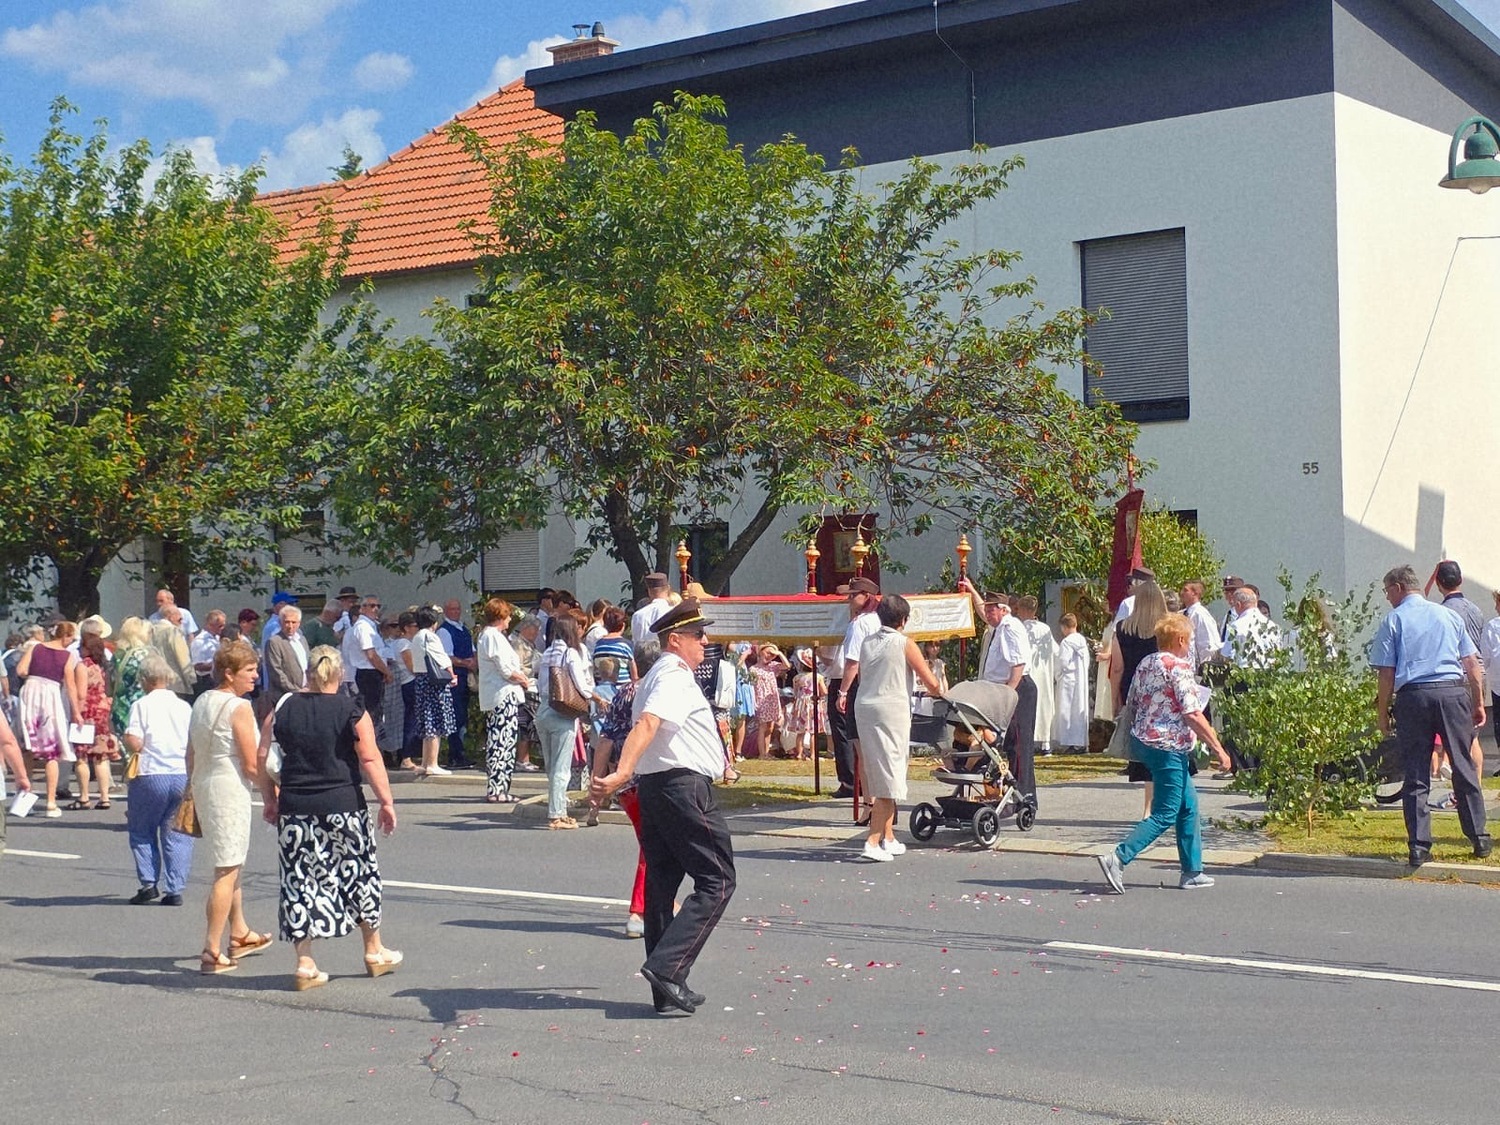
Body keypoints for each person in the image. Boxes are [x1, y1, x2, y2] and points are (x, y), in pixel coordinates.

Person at [590, 599, 736, 1015]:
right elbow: (648, 724)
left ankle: (665, 986)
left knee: (661, 883)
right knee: (718, 880)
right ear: (676, 640)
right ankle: (667, 968)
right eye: (698, 635)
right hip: (681, 787)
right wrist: (622, 771)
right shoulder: (672, 674)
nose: (705, 642)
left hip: (657, 787)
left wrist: (624, 775)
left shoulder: (657, 674)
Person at [258, 645, 400, 990]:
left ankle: (305, 962)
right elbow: (369, 759)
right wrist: (386, 801)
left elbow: (263, 756)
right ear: (340, 674)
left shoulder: (283, 707)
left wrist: (270, 799)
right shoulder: (351, 709)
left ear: (308, 673)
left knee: (299, 880)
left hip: (296, 807)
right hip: (343, 804)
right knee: (359, 873)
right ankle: (373, 950)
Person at [1096, 614, 1232, 894]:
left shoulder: (1147, 662)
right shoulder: (1178, 667)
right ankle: (1118, 857)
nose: (1189, 645)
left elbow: (1133, 699)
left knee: (1188, 806)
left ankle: (1192, 870)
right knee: (1165, 812)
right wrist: (1218, 748)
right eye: (1189, 641)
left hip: (1145, 740)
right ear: (1180, 640)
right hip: (1168, 745)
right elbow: (1192, 713)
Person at [1371, 565, 1490, 867]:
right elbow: (1472, 664)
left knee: (1416, 771)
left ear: (1398, 587)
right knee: (1463, 765)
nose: (1387, 597)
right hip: (1451, 692)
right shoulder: (1447, 615)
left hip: (1414, 696)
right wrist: (1478, 702)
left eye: (1387, 591)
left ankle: (1419, 845)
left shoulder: (1394, 620)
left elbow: (1386, 673)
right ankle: (1479, 836)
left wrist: (1382, 711)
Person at [188, 640, 274, 974]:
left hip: (204, 782)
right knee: (226, 870)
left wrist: (192, 787)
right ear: (229, 673)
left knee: (231, 862)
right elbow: (252, 765)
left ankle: (239, 932)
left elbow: (190, 753)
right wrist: (273, 793)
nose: (255, 677)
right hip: (228, 787)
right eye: (249, 671)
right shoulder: (239, 708)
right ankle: (211, 949)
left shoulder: (202, 701)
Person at [852, 595, 944, 861]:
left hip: (866, 707)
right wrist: (939, 690)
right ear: (904, 620)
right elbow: (931, 682)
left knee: (880, 769)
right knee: (889, 776)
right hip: (890, 710)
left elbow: (862, 675)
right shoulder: (905, 643)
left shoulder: (867, 641)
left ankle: (889, 836)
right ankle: (872, 841)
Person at [591, 642, 663, 936]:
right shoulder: (657, 692)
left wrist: (597, 782)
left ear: (635, 664)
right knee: (653, 846)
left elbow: (605, 738)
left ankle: (661, 903)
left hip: (624, 784)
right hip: (651, 779)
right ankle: (638, 911)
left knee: (656, 845)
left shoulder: (624, 693)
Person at [122, 655, 194, 905]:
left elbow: (135, 740)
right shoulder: (184, 707)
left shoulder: (141, 705)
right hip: (181, 772)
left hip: (151, 772)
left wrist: (129, 742)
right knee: (177, 833)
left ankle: (149, 882)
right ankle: (175, 888)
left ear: (145, 679)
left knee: (142, 829)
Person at [1110, 577, 1168, 804]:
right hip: (1163, 689)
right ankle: (1164, 798)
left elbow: (1117, 667)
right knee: (1165, 742)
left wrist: (1115, 697)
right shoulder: (1167, 627)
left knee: (1143, 741)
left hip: (1133, 688)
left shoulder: (1122, 628)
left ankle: (1148, 801)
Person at [17, 618, 82, 817]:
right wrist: (76, 712)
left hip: (30, 692)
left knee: (27, 748)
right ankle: (51, 803)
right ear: (66, 636)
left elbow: (21, 670)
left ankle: (24, 799)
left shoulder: (35, 647)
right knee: (51, 752)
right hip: (50, 696)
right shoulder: (67, 656)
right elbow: (70, 685)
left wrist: (34, 676)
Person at [536, 611, 594, 828]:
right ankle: (557, 814)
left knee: (552, 767)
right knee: (562, 768)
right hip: (562, 713)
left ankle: (557, 809)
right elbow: (581, 685)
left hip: (543, 710)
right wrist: (592, 697)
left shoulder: (547, 653)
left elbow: (540, 682)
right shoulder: (570, 653)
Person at [831, 576, 882, 799]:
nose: (849, 600)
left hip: (861, 685)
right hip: (878, 685)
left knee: (861, 748)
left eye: (853, 595)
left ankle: (870, 802)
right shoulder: (881, 620)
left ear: (866, 596)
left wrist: (842, 692)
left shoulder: (860, 623)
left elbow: (852, 662)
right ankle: (878, 801)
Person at [477, 598, 528, 803]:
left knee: (504, 742)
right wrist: (523, 679)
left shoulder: (490, 635)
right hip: (502, 694)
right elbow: (506, 669)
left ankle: (501, 788)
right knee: (501, 742)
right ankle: (497, 789)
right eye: (507, 616)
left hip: (501, 694)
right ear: (500, 616)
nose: (509, 620)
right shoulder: (493, 636)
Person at [69, 626, 120, 809]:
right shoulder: (104, 666)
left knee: (82, 755)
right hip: (102, 711)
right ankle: (104, 797)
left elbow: (81, 693)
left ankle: (84, 796)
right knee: (101, 755)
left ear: (86, 648)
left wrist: (75, 711)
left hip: (87, 712)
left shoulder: (83, 666)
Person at [409, 607, 457, 777]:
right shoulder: (430, 636)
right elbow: (442, 658)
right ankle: (432, 763)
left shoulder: (417, 637)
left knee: (426, 721)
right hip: (434, 682)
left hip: (421, 679)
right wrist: (452, 674)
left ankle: (425, 762)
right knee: (435, 721)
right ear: (433, 622)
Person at [341, 594, 391, 734]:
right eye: (372, 606)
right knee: (370, 715)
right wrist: (387, 672)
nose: (376, 609)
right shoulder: (363, 627)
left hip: (374, 672)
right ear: (362, 608)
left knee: (376, 713)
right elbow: (371, 655)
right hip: (367, 674)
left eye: (378, 606)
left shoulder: (371, 626)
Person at [1015, 596, 1057, 758]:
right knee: (1044, 704)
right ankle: (1045, 743)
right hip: (1044, 673)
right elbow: (1056, 651)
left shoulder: (1020, 628)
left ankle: (1029, 742)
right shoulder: (1045, 629)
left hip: (1028, 672)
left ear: (1023, 610)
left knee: (1027, 707)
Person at [437, 599, 477, 770]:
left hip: (465, 677)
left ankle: (460, 753)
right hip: (454, 678)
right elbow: (447, 656)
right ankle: (455, 755)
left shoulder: (464, 629)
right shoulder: (444, 631)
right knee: (455, 715)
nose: (456, 612)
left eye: (458, 609)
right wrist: (465, 663)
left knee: (462, 716)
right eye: (452, 609)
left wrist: (474, 661)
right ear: (446, 611)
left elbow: (473, 650)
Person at [260, 603, 308, 720]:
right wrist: (295, 690)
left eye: (293, 622)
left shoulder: (302, 640)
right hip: (284, 696)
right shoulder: (274, 642)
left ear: (299, 623)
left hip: (304, 693)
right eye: (287, 622)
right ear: (280, 622)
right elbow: (276, 672)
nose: (290, 626)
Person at [1052, 614, 1091, 752]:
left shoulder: (1067, 642)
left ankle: (1069, 741)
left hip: (1068, 679)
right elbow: (1087, 661)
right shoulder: (1082, 640)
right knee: (1078, 709)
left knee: (1067, 710)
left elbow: (1062, 661)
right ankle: (1080, 742)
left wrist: (1057, 675)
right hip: (1080, 679)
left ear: (1064, 627)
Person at [783, 648, 825, 762]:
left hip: (800, 704)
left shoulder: (797, 678)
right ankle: (813, 754)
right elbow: (823, 691)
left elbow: (796, 692)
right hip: (812, 703)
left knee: (800, 732)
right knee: (813, 732)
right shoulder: (818, 677)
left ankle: (799, 754)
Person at [148, 607, 194, 697]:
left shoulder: (151, 631)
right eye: (179, 618)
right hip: (175, 682)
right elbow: (182, 657)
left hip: (157, 682)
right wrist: (191, 678)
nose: (181, 621)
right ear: (171, 617)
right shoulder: (173, 631)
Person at [1180, 581, 1223, 672]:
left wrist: (1203, 666)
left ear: (1195, 593)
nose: (1181, 593)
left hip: (1199, 667)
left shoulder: (1200, 614)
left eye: (1186, 590)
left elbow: (1208, 643)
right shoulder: (1183, 613)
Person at [593, 606, 636, 684]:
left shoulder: (598, 645)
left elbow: (596, 670)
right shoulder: (626, 645)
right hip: (623, 688)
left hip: (602, 688)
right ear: (623, 625)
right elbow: (634, 674)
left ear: (605, 625)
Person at [189, 610, 226, 698]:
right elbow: (198, 666)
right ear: (210, 625)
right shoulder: (200, 641)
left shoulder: (217, 638)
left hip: (217, 678)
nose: (223, 628)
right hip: (207, 680)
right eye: (220, 626)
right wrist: (219, 664)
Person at [630, 573, 674, 646]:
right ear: (668, 588)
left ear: (649, 591)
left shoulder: (638, 615)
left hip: (643, 653)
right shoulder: (674, 613)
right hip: (667, 652)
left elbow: (635, 643)